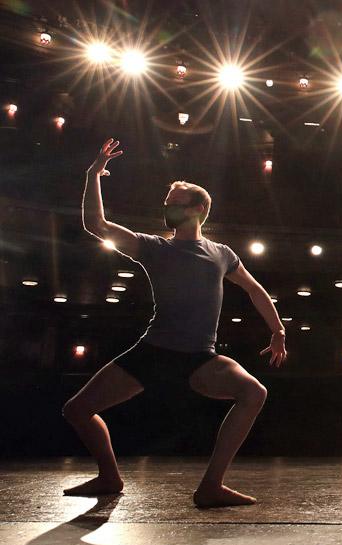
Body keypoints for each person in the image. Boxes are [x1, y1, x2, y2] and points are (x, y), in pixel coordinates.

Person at [62, 138, 287, 507]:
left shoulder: (221, 254)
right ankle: (109, 476)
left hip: (200, 358)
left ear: (198, 210)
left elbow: (255, 289)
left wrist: (277, 329)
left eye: (175, 204)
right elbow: (95, 224)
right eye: (166, 204)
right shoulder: (154, 246)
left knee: (254, 393)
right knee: (76, 410)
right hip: (152, 353)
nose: (167, 208)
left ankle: (210, 486)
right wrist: (93, 175)